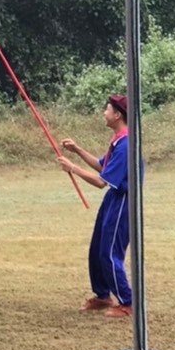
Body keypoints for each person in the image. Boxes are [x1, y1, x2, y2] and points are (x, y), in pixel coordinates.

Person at [58, 95, 134, 318]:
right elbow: (103, 167)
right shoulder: (118, 141)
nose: (104, 113)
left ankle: (128, 303)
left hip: (123, 200)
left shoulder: (126, 145)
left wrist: (73, 168)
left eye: (107, 109)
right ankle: (102, 296)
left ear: (117, 115)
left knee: (109, 252)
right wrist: (77, 150)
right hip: (113, 198)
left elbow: (101, 182)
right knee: (97, 248)